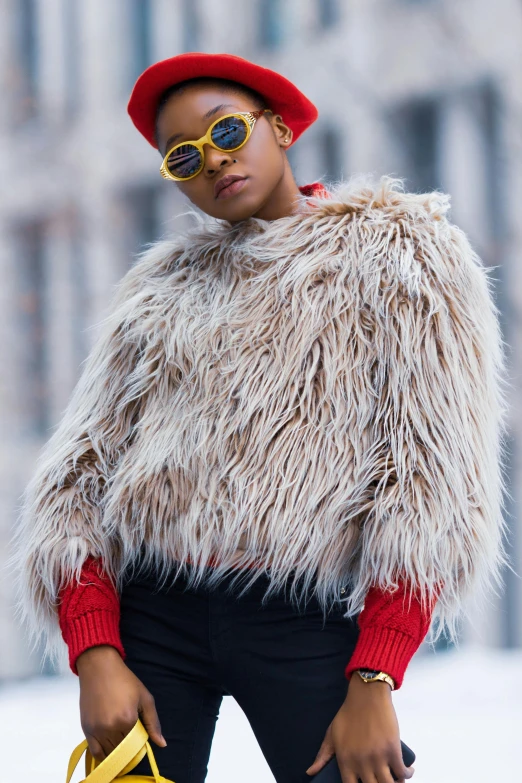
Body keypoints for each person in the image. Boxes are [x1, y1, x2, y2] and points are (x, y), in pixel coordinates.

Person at [11, 53, 509, 783]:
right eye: (184, 155)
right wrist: (95, 653)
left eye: (228, 131)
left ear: (277, 125)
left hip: (306, 616)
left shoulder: (401, 256)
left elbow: (428, 487)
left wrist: (375, 677)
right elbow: (75, 484)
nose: (214, 159)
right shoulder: (159, 291)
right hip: (156, 616)